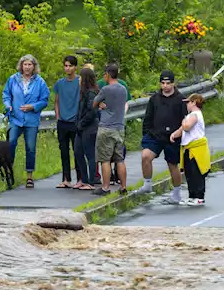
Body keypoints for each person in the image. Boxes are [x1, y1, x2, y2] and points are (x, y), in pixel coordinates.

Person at [137, 70, 187, 204]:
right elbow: (147, 118)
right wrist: (146, 134)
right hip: (155, 135)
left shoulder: (180, 99)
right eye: (163, 83)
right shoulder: (154, 99)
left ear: (173, 83)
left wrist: (180, 135)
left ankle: (176, 194)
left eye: (168, 83)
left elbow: (185, 120)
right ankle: (147, 185)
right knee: (145, 156)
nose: (165, 86)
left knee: (172, 165)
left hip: (173, 137)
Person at [1, 54, 51, 188]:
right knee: (10, 144)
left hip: (31, 120)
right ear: (21, 66)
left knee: (30, 148)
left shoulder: (40, 82)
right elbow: (6, 95)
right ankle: (9, 173)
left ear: (34, 66)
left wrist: (33, 106)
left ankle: (29, 176)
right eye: (25, 64)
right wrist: (8, 105)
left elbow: (45, 100)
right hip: (15, 118)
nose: (27, 67)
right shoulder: (13, 79)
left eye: (30, 64)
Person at [92, 64, 129, 196]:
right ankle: (123, 186)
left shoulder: (106, 89)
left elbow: (94, 103)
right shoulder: (123, 89)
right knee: (119, 159)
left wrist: (101, 105)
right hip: (119, 128)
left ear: (108, 74)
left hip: (106, 127)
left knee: (105, 159)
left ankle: (105, 187)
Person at [172, 93, 209, 206]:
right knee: (189, 173)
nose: (187, 104)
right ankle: (192, 195)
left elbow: (186, 127)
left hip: (195, 148)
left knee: (196, 172)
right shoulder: (190, 115)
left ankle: (199, 197)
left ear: (194, 102)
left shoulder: (195, 114)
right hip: (188, 148)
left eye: (188, 102)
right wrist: (174, 134)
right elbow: (182, 129)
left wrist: (183, 121)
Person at [52, 56, 82, 189]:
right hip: (63, 122)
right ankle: (66, 179)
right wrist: (58, 116)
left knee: (77, 151)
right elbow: (56, 101)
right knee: (64, 151)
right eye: (65, 66)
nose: (67, 68)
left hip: (75, 121)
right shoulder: (60, 83)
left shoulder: (80, 82)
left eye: (70, 66)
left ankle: (80, 179)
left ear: (75, 67)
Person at [74, 66, 101, 189]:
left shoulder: (91, 93)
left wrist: (81, 123)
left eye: (80, 77)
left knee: (90, 154)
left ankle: (91, 181)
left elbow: (92, 111)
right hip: (81, 127)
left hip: (89, 127)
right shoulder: (84, 92)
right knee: (78, 152)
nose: (79, 79)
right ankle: (84, 179)